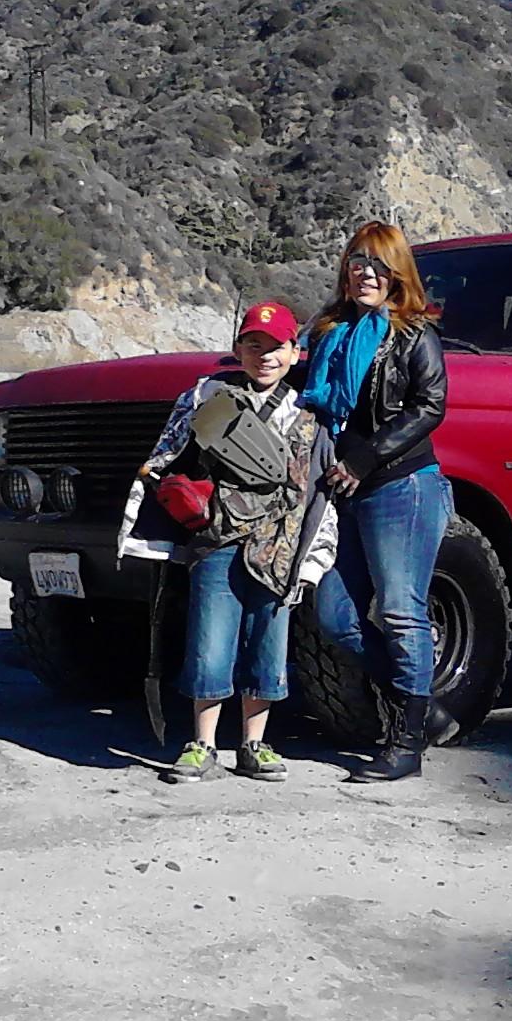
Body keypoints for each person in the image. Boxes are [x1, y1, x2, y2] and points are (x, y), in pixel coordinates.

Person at [116, 301, 338, 784]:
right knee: (209, 643)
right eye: (254, 346)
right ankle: (202, 746)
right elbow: (166, 456)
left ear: (294, 352)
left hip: (279, 549)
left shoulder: (312, 413)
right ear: (238, 350)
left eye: (276, 347)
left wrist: (312, 559)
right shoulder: (206, 398)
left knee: (267, 647)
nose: (265, 356)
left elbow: (319, 492)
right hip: (217, 541)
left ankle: (255, 745)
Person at [301, 221, 451, 782]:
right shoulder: (329, 334)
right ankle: (425, 709)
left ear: (397, 274)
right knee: (335, 614)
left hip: (401, 485)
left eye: (378, 265)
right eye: (357, 262)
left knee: (400, 610)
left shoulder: (414, 333)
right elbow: (310, 396)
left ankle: (405, 743)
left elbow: (430, 405)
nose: (366, 273)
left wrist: (365, 457)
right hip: (343, 488)